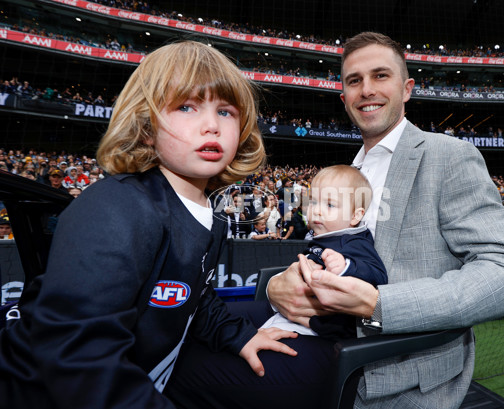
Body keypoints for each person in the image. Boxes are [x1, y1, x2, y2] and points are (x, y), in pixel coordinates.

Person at [166, 32, 504, 409]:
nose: (367, 90)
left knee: (183, 368)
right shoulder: (351, 170)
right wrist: (278, 284)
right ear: (344, 98)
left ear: (407, 88)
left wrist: (377, 303)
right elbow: (331, 255)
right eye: (354, 81)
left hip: (382, 359)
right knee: (173, 330)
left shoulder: (448, 156)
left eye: (380, 76)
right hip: (316, 327)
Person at [0, 41, 298, 409]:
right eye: (186, 106)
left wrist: (238, 337)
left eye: (225, 111)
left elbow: (193, 297)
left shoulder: (213, 213)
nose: (211, 125)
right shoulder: (116, 207)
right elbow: (78, 359)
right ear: (145, 127)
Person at [261, 165, 387, 341]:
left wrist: (345, 266)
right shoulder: (325, 237)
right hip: (297, 318)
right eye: (313, 202)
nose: (317, 210)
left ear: (355, 216)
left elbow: (379, 276)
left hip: (323, 333)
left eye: (329, 204)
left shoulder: (355, 241)